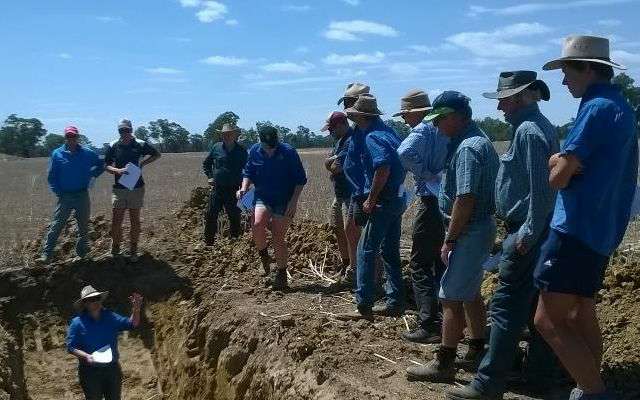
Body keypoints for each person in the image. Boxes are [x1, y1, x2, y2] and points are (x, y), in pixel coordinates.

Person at [533, 35, 638, 400]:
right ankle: (591, 384)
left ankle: (593, 391)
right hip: (602, 228)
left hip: (574, 227)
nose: (564, 82)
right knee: (580, 312)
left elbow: (558, 177)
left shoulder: (594, 110)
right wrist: (562, 162)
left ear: (588, 69)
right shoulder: (620, 107)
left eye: (567, 73)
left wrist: (555, 163)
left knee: (547, 319)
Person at [447, 71, 559, 399]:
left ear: (521, 97)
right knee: (533, 307)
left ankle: (489, 382)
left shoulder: (528, 130)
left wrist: (527, 232)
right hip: (532, 231)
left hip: (526, 233)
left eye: (504, 101)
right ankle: (538, 377)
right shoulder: (535, 127)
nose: (500, 109)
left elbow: (543, 189)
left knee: (505, 307)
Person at [407, 91, 499, 382]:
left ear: (458, 117)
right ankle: (476, 348)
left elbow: (466, 198)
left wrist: (450, 238)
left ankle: (444, 361)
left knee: (449, 297)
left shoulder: (469, 148)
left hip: (469, 229)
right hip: (478, 227)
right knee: (470, 292)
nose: (436, 126)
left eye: (441, 119)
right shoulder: (473, 140)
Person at [339, 94, 407, 319]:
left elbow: (382, 168)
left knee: (365, 250)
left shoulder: (373, 137)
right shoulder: (388, 132)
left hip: (382, 202)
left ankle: (363, 304)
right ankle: (396, 300)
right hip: (396, 199)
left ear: (360, 116)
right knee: (389, 251)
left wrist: (371, 198)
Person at [396, 89, 449, 343]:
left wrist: (424, 172)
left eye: (406, 115)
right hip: (448, 200)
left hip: (430, 199)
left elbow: (404, 152)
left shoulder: (422, 130)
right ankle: (447, 320)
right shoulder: (444, 128)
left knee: (418, 263)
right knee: (441, 260)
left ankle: (428, 323)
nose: (405, 120)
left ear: (417, 112)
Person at [237, 125, 307, 290]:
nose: (270, 150)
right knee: (257, 224)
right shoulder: (254, 151)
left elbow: (300, 180)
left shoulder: (289, 152)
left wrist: (293, 202)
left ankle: (282, 275)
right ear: (259, 141)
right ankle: (264, 258)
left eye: (273, 146)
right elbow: (248, 173)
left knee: (277, 236)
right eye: (267, 147)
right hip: (262, 196)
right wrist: (243, 188)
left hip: (284, 200)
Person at [39, 126, 104, 263]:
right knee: (57, 224)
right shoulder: (57, 154)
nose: (71, 139)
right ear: (65, 138)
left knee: (83, 226)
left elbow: (101, 164)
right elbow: (51, 176)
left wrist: (93, 174)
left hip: (82, 195)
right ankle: (47, 254)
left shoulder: (87, 153)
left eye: (73, 136)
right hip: (65, 196)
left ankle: (82, 254)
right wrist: (59, 192)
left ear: (77, 137)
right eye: (69, 136)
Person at [66, 285, 143, 400]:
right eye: (91, 300)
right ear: (85, 304)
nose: (96, 301)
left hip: (112, 369)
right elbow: (71, 347)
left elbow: (132, 324)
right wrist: (86, 356)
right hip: (90, 372)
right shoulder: (77, 323)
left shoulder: (110, 317)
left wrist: (136, 309)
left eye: (97, 298)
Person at [104, 119, 161, 262]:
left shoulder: (140, 144)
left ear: (131, 129)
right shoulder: (113, 145)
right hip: (119, 189)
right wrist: (119, 171)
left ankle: (133, 249)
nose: (124, 133)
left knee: (135, 220)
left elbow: (156, 154)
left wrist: (142, 163)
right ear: (118, 131)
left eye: (127, 130)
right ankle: (115, 248)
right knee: (116, 220)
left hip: (137, 187)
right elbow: (106, 165)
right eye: (121, 130)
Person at [321, 112, 358, 280]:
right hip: (340, 193)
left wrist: (329, 162)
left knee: (350, 231)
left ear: (341, 125)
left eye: (331, 129)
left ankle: (354, 269)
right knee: (337, 228)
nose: (330, 133)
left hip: (350, 193)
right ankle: (346, 263)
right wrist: (331, 161)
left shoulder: (351, 140)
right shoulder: (339, 142)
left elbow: (336, 167)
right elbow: (332, 163)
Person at [202, 122, 248, 246]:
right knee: (211, 215)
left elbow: (248, 169)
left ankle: (234, 243)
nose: (226, 136)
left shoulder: (241, 151)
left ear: (235, 135)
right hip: (217, 189)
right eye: (224, 134)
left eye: (229, 134)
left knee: (234, 217)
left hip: (234, 190)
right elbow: (206, 164)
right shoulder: (216, 148)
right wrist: (210, 176)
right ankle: (209, 243)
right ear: (221, 135)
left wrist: (245, 186)